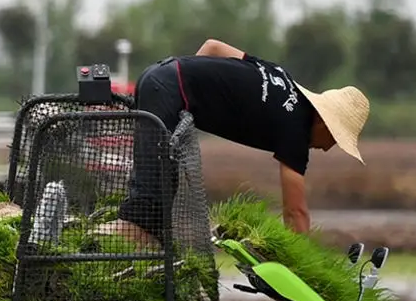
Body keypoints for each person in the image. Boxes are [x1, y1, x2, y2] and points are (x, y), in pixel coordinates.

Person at [111, 38, 369, 243]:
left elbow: (213, 47)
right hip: (165, 90)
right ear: (324, 122)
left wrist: (195, 91)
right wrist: (306, 269)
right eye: (334, 139)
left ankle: (118, 244)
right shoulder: (296, 128)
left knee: (157, 196)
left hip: (159, 76)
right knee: (149, 208)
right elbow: (296, 212)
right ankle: (99, 243)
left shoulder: (283, 79)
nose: (326, 148)